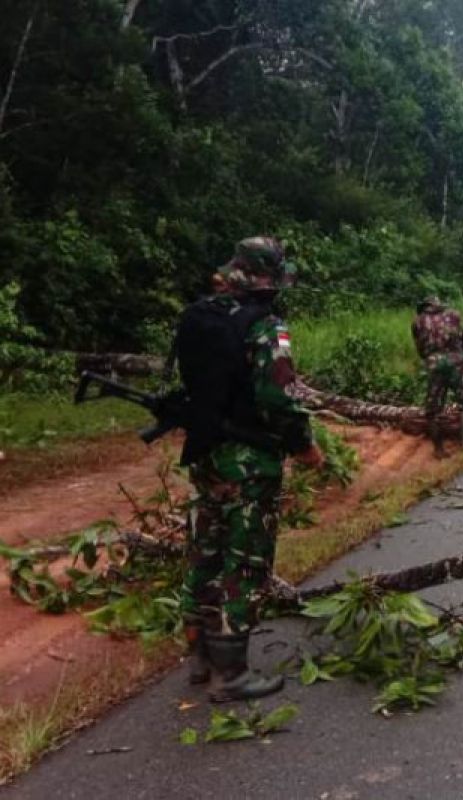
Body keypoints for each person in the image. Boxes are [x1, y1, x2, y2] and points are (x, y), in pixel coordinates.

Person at [175, 236, 324, 702]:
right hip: (249, 460)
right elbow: (278, 397)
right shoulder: (265, 327)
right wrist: (305, 447)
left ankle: (200, 657)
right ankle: (233, 673)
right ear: (268, 279)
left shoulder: (202, 315)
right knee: (246, 560)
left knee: (207, 548)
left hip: (205, 451)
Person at [411, 296, 463, 458]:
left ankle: (439, 450)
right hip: (457, 361)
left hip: (434, 365)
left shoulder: (417, 322)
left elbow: (420, 349)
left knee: (433, 410)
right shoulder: (454, 315)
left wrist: (431, 360)